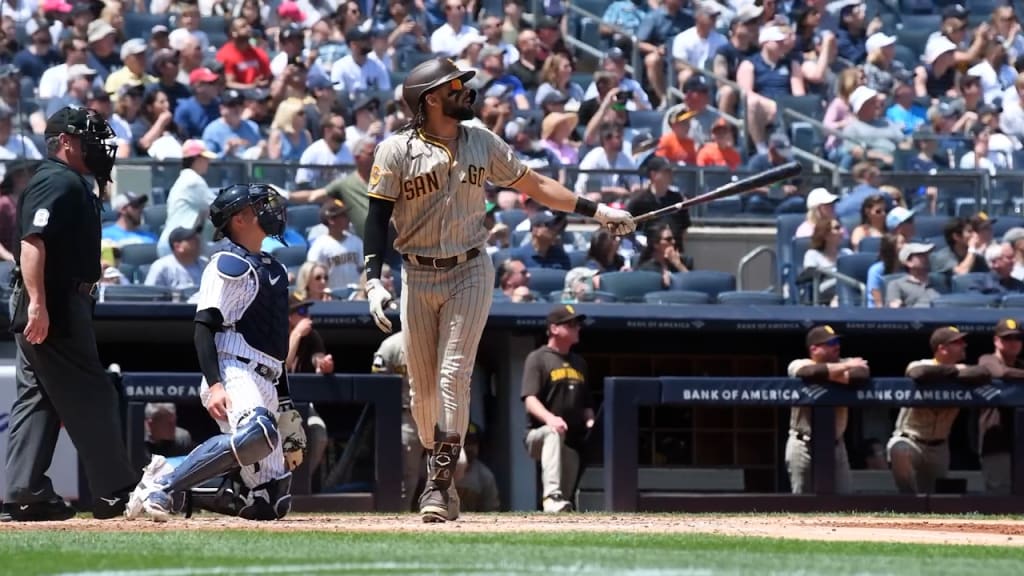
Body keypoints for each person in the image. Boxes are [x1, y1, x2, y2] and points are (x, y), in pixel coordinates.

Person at [363, 57, 635, 523]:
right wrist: (371, 280)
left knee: (453, 374)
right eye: (456, 87)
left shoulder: (482, 141)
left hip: (470, 268)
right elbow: (375, 217)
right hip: (417, 272)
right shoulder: (395, 150)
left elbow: (536, 184)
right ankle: (441, 471)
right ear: (431, 98)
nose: (467, 93)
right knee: (422, 391)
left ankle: (439, 482)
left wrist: (599, 210)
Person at [124, 184, 306, 522]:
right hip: (233, 369)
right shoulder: (226, 263)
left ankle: (176, 480)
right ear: (239, 219)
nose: (267, 211)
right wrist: (216, 383)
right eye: (256, 207)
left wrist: (284, 403)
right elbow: (203, 327)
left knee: (270, 501)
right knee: (257, 433)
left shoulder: (272, 268)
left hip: (267, 377)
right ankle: (163, 485)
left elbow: (275, 347)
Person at [1, 106, 139, 522]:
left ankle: (25, 492)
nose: (100, 148)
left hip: (51, 298)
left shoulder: (69, 180)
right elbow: (31, 244)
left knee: (38, 397)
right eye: (90, 139)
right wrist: (38, 304)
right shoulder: (56, 179)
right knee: (92, 393)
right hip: (54, 301)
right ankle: (115, 490)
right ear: (66, 143)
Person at [887, 327, 990, 494]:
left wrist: (955, 371)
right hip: (910, 438)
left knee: (935, 497)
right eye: (957, 342)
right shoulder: (921, 364)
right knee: (899, 450)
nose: (964, 345)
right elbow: (919, 373)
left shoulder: (966, 369)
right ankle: (908, 502)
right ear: (942, 348)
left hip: (939, 446)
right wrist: (955, 371)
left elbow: (983, 373)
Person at [522, 304, 595, 513]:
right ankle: (551, 495)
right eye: (571, 324)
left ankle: (556, 504)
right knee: (553, 433)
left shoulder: (579, 362)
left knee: (565, 501)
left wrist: (591, 422)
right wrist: (550, 419)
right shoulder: (538, 358)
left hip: (569, 442)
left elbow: (586, 403)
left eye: (577, 324)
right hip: (538, 435)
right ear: (554, 329)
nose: (577, 328)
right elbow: (530, 400)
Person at [786, 326, 869, 494]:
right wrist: (843, 370)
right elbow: (809, 372)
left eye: (837, 342)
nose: (837, 346)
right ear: (814, 349)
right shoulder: (800, 363)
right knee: (802, 500)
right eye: (831, 343)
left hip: (836, 446)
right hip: (803, 444)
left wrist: (830, 373)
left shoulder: (845, 362)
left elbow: (862, 373)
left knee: (844, 500)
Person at [371, 331, 428, 512]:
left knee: (458, 463)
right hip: (405, 416)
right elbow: (376, 384)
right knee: (407, 474)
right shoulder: (391, 345)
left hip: (435, 414)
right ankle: (401, 517)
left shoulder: (438, 340)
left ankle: (439, 510)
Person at [976, 319, 1024, 495]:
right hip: (996, 438)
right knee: (999, 495)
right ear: (996, 341)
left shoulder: (1021, 365)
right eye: (1007, 338)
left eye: (1017, 338)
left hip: (1020, 440)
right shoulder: (987, 360)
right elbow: (1001, 373)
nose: (1013, 343)